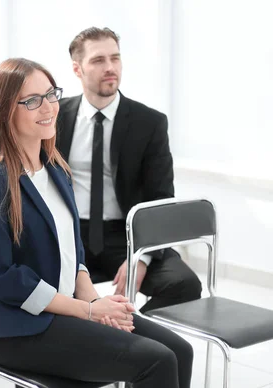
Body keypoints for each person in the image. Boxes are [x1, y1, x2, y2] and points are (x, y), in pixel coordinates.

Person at [0, 57, 193, 388]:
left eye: (51, 95)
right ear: (5, 110)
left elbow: (73, 253)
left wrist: (98, 306)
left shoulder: (55, 168)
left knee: (180, 350)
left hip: (66, 310)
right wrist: (86, 310)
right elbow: (2, 278)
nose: (49, 107)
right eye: (32, 100)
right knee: (155, 361)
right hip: (20, 329)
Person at [56, 27, 202, 313]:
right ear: (77, 69)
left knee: (184, 284)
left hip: (126, 236)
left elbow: (161, 198)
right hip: (68, 234)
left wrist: (142, 257)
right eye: (98, 60)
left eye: (115, 58)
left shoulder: (150, 123)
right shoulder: (55, 117)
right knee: (41, 284)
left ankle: (131, 342)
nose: (110, 68)